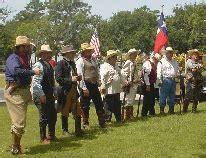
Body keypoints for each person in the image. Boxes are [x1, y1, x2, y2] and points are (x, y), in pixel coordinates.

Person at [4, 36, 40, 154]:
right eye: (27, 46)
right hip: (15, 91)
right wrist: (32, 72)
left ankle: (16, 145)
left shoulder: (23, 57)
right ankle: (15, 148)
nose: (29, 48)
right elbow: (16, 71)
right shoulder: (13, 58)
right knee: (19, 122)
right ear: (21, 47)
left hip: (21, 90)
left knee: (18, 121)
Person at [31, 44, 58, 144]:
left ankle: (51, 136)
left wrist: (54, 91)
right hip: (41, 95)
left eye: (49, 53)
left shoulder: (49, 65)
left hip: (49, 94)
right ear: (42, 54)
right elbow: (36, 82)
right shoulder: (38, 65)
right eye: (47, 53)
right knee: (44, 116)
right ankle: (43, 138)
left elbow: (52, 81)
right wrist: (41, 95)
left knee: (53, 115)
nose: (49, 55)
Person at [55, 45, 83, 137]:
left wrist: (77, 78)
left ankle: (78, 130)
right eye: (72, 52)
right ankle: (65, 130)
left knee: (78, 110)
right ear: (66, 53)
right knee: (65, 111)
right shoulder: (61, 63)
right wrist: (71, 79)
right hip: (65, 91)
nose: (73, 54)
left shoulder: (72, 63)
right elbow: (58, 79)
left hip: (74, 90)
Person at [76, 42, 106, 129]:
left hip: (94, 84)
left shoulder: (93, 59)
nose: (90, 52)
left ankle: (102, 122)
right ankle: (85, 123)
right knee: (85, 106)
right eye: (88, 51)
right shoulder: (80, 61)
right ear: (84, 52)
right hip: (86, 84)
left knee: (99, 103)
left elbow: (97, 70)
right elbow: (80, 76)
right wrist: (84, 88)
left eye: (90, 51)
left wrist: (99, 80)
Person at [100, 50, 127, 122]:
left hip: (116, 89)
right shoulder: (104, 66)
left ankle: (119, 118)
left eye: (116, 57)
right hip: (109, 89)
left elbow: (120, 76)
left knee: (117, 105)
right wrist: (102, 86)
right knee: (108, 105)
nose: (116, 58)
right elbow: (102, 77)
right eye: (114, 57)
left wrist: (125, 83)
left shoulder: (116, 66)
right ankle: (107, 119)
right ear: (110, 58)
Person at [157, 47, 179, 114]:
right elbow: (158, 72)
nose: (171, 54)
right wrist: (160, 81)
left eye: (172, 52)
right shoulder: (161, 61)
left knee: (172, 95)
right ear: (166, 53)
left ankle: (171, 110)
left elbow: (177, 70)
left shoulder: (174, 61)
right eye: (169, 52)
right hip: (165, 80)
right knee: (163, 95)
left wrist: (178, 75)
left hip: (173, 80)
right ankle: (162, 110)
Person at [121, 48, 141, 120]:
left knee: (131, 99)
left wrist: (138, 79)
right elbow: (123, 73)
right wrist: (128, 82)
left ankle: (129, 115)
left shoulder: (134, 62)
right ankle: (127, 116)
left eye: (136, 54)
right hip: (130, 84)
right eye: (134, 54)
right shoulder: (128, 62)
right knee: (129, 99)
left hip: (134, 83)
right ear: (130, 55)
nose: (136, 55)